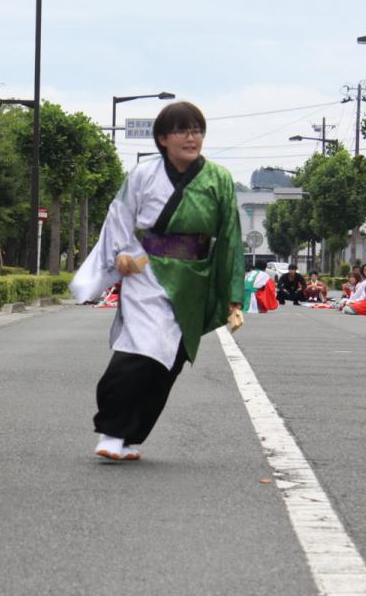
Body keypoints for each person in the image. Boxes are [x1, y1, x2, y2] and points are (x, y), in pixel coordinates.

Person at [70, 101, 243, 462]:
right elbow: (120, 214)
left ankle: (132, 436)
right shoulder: (143, 175)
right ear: (163, 138)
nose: (191, 137)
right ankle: (112, 428)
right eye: (182, 130)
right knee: (140, 349)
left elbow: (229, 237)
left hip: (194, 279)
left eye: (197, 130)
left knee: (169, 362)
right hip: (147, 271)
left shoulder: (219, 180)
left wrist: (233, 298)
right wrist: (120, 252)